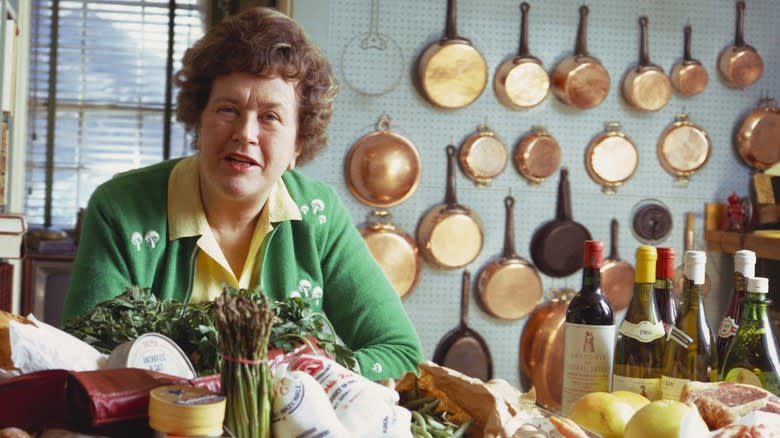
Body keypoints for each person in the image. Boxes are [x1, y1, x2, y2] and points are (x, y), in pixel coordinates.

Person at [62, 6, 423, 381]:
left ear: (298, 143)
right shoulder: (120, 207)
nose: (245, 133)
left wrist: (316, 373)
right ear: (198, 122)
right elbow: (84, 356)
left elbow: (401, 353)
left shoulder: (320, 215)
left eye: (270, 117)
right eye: (228, 109)